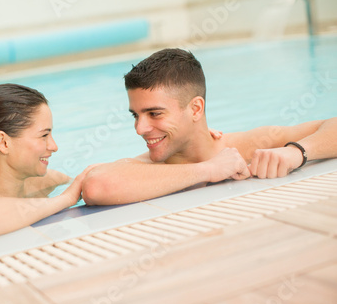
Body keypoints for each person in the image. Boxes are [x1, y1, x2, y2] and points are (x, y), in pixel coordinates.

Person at [82, 48, 337, 206]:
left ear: (195, 109)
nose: (140, 128)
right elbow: (95, 186)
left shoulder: (248, 145)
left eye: (154, 113)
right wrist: (207, 170)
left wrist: (297, 152)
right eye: (135, 115)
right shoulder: (149, 169)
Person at [0, 84, 94, 238]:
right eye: (44, 135)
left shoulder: (48, 182)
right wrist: (64, 199)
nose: (54, 146)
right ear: (3, 142)